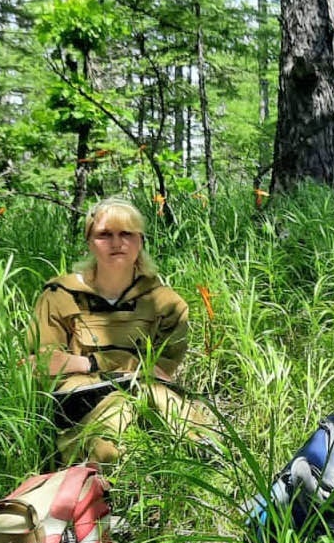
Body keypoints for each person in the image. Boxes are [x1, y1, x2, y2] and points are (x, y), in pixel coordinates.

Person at [29, 197, 217, 465]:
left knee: (161, 400)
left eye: (126, 234)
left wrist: (84, 362)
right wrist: (116, 365)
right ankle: (102, 477)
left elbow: (160, 372)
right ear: (90, 242)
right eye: (105, 235)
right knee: (114, 414)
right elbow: (42, 364)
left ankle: (202, 460)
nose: (116, 243)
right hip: (83, 404)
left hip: (147, 397)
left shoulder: (166, 304)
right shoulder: (60, 296)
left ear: (140, 241)